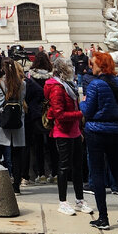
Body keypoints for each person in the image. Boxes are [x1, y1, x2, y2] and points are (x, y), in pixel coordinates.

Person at [81, 51, 118, 229]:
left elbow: (87, 110)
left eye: (93, 64)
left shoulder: (95, 85)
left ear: (101, 66)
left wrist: (82, 101)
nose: (91, 66)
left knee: (97, 173)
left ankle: (103, 218)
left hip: (96, 131)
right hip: (116, 130)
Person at [45, 56, 89, 216]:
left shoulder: (68, 84)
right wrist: (80, 114)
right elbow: (59, 114)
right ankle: (63, 201)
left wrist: (79, 126)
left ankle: (79, 199)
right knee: (64, 166)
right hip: (63, 130)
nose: (72, 67)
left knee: (78, 166)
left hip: (74, 130)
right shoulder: (57, 87)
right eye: (69, 65)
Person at [0, 58, 26, 193]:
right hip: (17, 120)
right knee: (17, 154)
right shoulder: (22, 83)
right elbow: (22, 100)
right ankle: (16, 185)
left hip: (2, 121)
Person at [24, 50, 54, 185]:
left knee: (38, 145)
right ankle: (54, 172)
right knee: (52, 144)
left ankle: (40, 173)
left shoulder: (30, 76)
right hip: (49, 111)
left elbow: (27, 94)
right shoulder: (52, 77)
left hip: (35, 112)